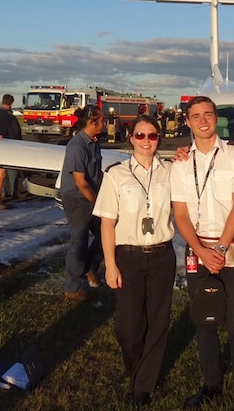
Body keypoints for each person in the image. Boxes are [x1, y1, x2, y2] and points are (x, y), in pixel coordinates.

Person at [170, 96, 234, 411]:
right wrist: (200, 251)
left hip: (228, 245)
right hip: (197, 248)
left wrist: (219, 247)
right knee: (203, 319)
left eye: (208, 114)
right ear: (188, 121)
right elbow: (180, 214)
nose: (203, 120)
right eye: (196, 116)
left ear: (216, 118)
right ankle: (211, 384)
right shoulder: (180, 163)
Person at [94, 115, 174, 408]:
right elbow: (106, 224)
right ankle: (136, 367)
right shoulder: (116, 175)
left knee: (157, 321)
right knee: (128, 326)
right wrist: (110, 264)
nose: (146, 141)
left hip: (162, 255)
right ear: (131, 138)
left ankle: (144, 385)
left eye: (152, 136)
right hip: (127, 256)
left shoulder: (170, 172)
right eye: (140, 136)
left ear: (158, 139)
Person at [60, 104, 106, 301]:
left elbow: (96, 175)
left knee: (107, 232)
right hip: (77, 198)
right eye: (102, 120)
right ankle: (72, 288)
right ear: (92, 122)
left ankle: (90, 268)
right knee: (79, 241)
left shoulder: (94, 142)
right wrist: (100, 205)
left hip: (91, 195)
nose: (105, 123)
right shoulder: (76, 146)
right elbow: (81, 182)